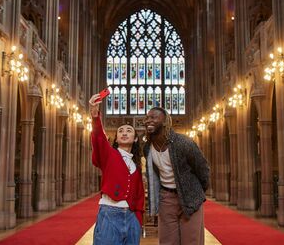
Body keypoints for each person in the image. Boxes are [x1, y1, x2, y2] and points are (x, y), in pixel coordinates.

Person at [143, 107, 210, 244]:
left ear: (165, 122)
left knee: (191, 240)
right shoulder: (147, 147)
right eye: (147, 118)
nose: (149, 120)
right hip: (166, 197)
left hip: (189, 196)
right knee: (167, 241)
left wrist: (196, 192)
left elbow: (203, 169)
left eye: (154, 117)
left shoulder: (183, 143)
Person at [89, 94, 144, 245]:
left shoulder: (136, 165)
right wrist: (95, 114)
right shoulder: (109, 155)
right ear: (116, 138)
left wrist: (138, 219)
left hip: (132, 219)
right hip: (109, 214)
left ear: (135, 138)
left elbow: (139, 197)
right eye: (120, 131)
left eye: (128, 130)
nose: (124, 133)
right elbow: (99, 137)